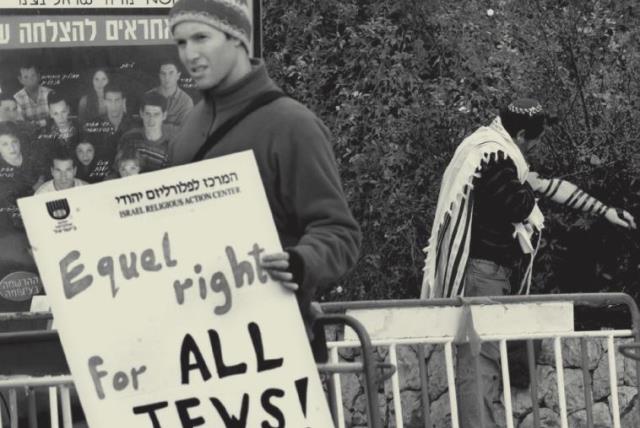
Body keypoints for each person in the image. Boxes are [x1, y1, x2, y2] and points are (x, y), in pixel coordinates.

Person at [420, 98, 636, 427]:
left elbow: (549, 187)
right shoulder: (494, 158)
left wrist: (604, 210)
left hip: (491, 272)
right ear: (521, 135)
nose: (536, 146)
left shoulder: (499, 154)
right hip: (483, 273)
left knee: (486, 361)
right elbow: (518, 204)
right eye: (535, 140)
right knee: (481, 363)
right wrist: (529, 186)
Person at [168, 0, 361, 359]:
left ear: (237, 38)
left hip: (274, 348)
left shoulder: (292, 125)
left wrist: (301, 262)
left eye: (201, 37)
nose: (190, 54)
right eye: (180, 42)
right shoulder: (188, 127)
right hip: (198, 351)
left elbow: (340, 233)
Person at [83, 83, 139, 175]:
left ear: (123, 101)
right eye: (109, 100)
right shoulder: (94, 125)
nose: (114, 105)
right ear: (104, 102)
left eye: (117, 100)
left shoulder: (134, 125)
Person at [118, 92, 174, 173]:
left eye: (156, 114)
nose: (151, 120)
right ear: (141, 113)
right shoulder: (129, 138)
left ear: (164, 115)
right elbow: (117, 170)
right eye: (147, 114)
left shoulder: (170, 147)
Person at [147, 60, 193, 129]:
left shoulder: (186, 102)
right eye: (163, 73)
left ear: (178, 75)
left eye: (171, 73)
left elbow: (184, 130)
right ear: (159, 76)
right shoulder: (148, 96)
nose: (167, 78)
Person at [13, 63, 52, 128]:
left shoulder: (50, 93)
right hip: (28, 135)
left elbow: (55, 118)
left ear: (38, 76)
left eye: (33, 75)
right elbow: (20, 123)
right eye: (26, 77)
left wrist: (33, 124)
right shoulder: (17, 99)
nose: (30, 80)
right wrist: (44, 122)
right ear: (20, 80)